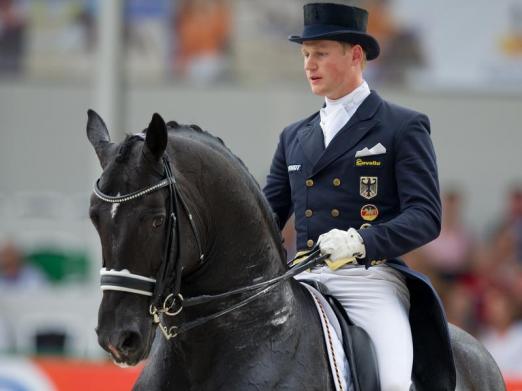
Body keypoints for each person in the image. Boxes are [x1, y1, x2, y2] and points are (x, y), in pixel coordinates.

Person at [263, 3, 451, 390]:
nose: (308, 65)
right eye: (305, 55)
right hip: (303, 278)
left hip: (369, 279)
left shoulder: (401, 126)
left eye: (320, 53)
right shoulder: (294, 137)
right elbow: (265, 218)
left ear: (355, 55)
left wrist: (360, 241)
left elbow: (426, 215)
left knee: (394, 383)